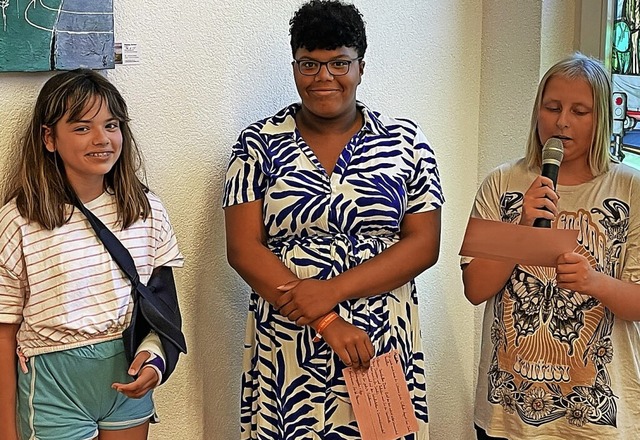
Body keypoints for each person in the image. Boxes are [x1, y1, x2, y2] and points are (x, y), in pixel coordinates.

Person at [223, 1, 444, 438]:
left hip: (377, 335)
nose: (324, 77)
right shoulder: (257, 144)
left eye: (339, 63)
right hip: (290, 334)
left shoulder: (405, 141)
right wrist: (326, 320)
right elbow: (244, 249)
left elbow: (424, 244)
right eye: (310, 64)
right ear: (294, 67)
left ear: (361, 67)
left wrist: (332, 293)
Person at [461, 53, 640, 439]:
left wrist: (595, 282)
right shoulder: (501, 183)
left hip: (597, 423)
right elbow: (474, 288)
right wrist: (522, 227)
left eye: (580, 111)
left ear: (602, 119)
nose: (562, 121)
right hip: (505, 416)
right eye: (553, 107)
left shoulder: (631, 189)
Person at [0, 69, 183, 440]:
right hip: (53, 386)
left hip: (127, 375)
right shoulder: (19, 219)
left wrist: (156, 360)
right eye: (82, 128)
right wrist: (6, 430)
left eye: (111, 125)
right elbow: (4, 334)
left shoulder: (146, 210)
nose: (102, 139)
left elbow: (162, 305)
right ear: (49, 138)